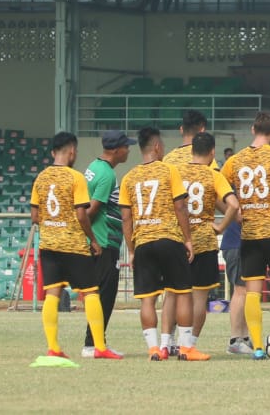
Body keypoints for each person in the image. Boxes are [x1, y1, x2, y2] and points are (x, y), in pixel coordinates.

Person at [28, 132, 120, 362]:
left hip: (49, 244)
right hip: (73, 244)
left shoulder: (40, 178)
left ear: (52, 152)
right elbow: (82, 214)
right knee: (90, 292)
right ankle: (99, 346)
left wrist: (52, 226)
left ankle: (53, 348)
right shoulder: (75, 178)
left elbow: (34, 215)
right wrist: (94, 240)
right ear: (72, 152)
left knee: (52, 293)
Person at [220, 112, 270, 359]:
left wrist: (232, 211)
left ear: (252, 128)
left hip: (249, 234)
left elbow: (217, 187)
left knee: (252, 291)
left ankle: (256, 346)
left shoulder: (235, 160)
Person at [118, 126, 202, 360]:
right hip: (169, 239)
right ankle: (186, 349)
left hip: (144, 242)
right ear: (157, 146)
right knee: (183, 293)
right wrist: (187, 239)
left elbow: (126, 217)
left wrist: (132, 250)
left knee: (148, 298)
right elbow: (180, 206)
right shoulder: (169, 171)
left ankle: (154, 348)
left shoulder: (129, 177)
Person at [164, 131, 239, 357]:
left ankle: (165, 344)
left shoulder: (174, 173)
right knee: (199, 296)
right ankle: (189, 344)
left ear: (191, 150)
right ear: (213, 152)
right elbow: (233, 205)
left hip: (178, 240)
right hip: (204, 241)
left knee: (172, 293)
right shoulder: (212, 174)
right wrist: (221, 227)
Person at [79, 129, 132, 358]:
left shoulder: (93, 167)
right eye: (125, 146)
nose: (128, 150)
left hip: (98, 240)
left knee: (98, 294)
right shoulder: (107, 175)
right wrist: (92, 239)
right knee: (105, 296)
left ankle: (95, 342)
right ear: (116, 150)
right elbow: (90, 210)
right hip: (103, 242)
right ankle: (94, 344)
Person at [220, 215, 252, 354]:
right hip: (236, 245)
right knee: (241, 290)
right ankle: (235, 339)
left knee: (248, 292)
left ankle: (244, 338)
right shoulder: (236, 195)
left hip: (241, 244)